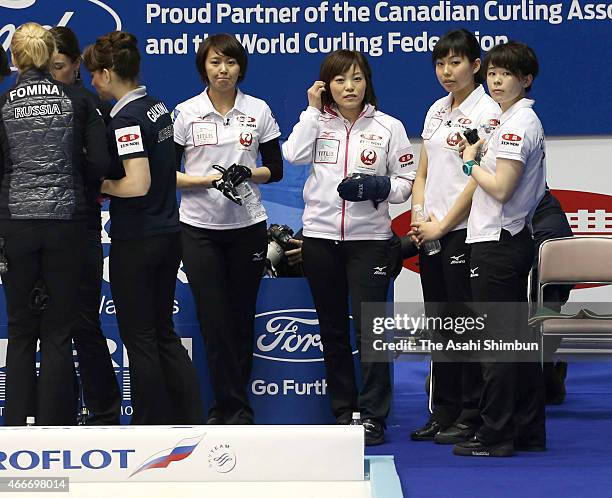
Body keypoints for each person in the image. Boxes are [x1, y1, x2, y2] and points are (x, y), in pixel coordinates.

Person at [282, 50, 415, 445]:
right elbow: (293, 154)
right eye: (340, 80)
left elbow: (406, 182)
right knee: (332, 329)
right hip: (320, 239)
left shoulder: (389, 126)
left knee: (371, 332)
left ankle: (374, 414)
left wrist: (379, 188)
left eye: (356, 79)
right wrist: (310, 111)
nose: (349, 87)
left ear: (367, 81)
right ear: (327, 85)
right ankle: (343, 408)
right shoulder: (316, 123)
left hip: (370, 242)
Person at [83, 31, 203, 425]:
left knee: (141, 338)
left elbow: (137, 183)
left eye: (93, 76)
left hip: (139, 239)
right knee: (163, 333)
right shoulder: (158, 107)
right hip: (169, 234)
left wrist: (97, 184)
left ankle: (149, 428)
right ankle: (188, 419)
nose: (92, 84)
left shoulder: (126, 118)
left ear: (106, 73)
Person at [0, 22, 109, 425]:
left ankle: (12, 432)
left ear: (14, 59)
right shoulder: (79, 101)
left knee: (21, 330)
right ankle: (54, 431)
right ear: (50, 58)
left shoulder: (2, 104)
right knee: (60, 332)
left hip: (15, 226)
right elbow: (102, 164)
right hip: (68, 225)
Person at [173, 33, 283, 425]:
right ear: (204, 66)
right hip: (199, 229)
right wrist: (205, 181)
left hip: (247, 227)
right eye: (215, 63)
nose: (223, 70)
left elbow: (276, 169)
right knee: (213, 319)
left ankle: (237, 408)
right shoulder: (186, 113)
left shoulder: (258, 110)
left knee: (240, 317)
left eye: (231, 63)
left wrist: (247, 173)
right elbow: (169, 174)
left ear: (241, 67)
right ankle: (227, 406)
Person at [453, 41, 546, 457]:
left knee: (497, 345)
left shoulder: (515, 125)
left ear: (525, 80)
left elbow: (503, 189)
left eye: (506, 74)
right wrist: (476, 153)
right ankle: (525, 430)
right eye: (491, 72)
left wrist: (471, 165)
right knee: (514, 341)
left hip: (499, 242)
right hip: (505, 241)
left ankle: (495, 434)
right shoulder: (511, 121)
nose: (495, 80)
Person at [409, 29, 501, 445]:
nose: (447, 72)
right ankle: (442, 411)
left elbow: (476, 180)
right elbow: (423, 171)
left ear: (475, 65)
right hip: (430, 232)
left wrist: (443, 226)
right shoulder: (435, 110)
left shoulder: (487, 113)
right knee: (440, 324)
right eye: (440, 64)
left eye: (456, 62)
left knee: (465, 325)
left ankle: (470, 412)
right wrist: (418, 214)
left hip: (464, 232)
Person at [49, 26, 121, 425]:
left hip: (80, 227)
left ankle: (105, 411)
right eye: (45, 66)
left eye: (58, 66)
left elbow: (106, 166)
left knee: (81, 321)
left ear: (77, 65)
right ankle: (54, 415)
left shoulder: (89, 103)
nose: (51, 75)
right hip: (38, 228)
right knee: (49, 326)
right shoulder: (26, 106)